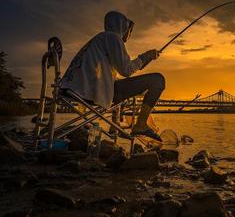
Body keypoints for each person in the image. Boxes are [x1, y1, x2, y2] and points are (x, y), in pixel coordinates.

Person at [61, 11, 165, 141]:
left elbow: (112, 73)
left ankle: (115, 126)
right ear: (121, 26)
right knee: (158, 80)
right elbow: (126, 70)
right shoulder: (113, 38)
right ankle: (140, 125)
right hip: (90, 92)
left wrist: (145, 60)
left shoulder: (99, 39)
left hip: (75, 88)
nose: (129, 34)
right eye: (128, 30)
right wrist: (146, 56)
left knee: (118, 84)